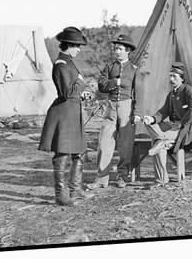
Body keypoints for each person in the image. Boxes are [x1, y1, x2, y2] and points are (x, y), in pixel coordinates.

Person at [39, 27, 95, 206]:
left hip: (72, 111)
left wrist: (82, 93)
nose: (79, 49)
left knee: (79, 152)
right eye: (77, 46)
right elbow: (65, 92)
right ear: (69, 45)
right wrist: (80, 82)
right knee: (62, 154)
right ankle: (61, 195)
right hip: (63, 113)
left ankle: (75, 190)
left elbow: (73, 92)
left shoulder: (69, 61)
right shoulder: (61, 64)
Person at [86, 34, 142, 190]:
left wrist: (137, 113)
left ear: (128, 51)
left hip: (127, 107)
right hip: (110, 107)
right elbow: (102, 86)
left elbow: (138, 93)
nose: (117, 51)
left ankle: (122, 176)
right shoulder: (110, 67)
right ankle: (101, 178)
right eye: (116, 48)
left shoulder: (134, 69)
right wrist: (114, 82)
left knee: (125, 145)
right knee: (104, 143)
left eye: (120, 49)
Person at [142, 62, 192, 186]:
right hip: (172, 127)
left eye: (174, 76)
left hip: (185, 128)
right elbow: (164, 111)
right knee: (148, 123)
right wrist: (152, 119)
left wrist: (181, 123)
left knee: (157, 143)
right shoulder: (171, 94)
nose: (171, 79)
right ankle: (161, 140)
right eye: (170, 76)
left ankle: (161, 179)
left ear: (182, 78)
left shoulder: (188, 90)